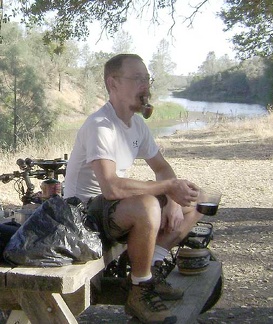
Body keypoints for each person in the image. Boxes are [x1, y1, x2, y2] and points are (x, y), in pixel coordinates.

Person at [64, 53, 203, 324]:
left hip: (113, 210)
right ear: (113, 83)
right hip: (82, 217)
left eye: (147, 78)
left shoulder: (137, 123)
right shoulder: (100, 125)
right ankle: (139, 290)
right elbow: (111, 187)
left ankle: (151, 267)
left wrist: (174, 198)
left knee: (198, 199)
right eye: (137, 79)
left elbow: (162, 168)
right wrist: (166, 189)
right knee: (147, 205)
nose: (145, 86)